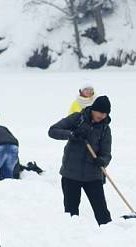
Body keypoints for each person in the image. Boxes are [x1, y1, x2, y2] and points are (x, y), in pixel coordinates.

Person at [48, 95, 113, 225]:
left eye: (105, 113)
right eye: (100, 112)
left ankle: (109, 235)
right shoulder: (78, 118)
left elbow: (107, 154)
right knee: (71, 213)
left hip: (93, 175)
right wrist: (72, 134)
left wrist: (102, 161)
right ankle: (72, 236)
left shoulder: (105, 129)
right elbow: (53, 131)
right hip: (71, 174)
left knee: (102, 213)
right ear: (93, 109)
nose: (102, 115)